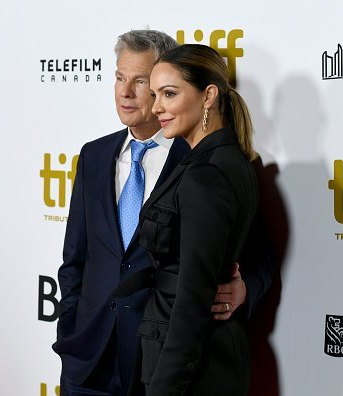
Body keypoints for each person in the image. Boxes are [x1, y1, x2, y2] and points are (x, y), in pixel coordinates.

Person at [52, 31, 265, 396]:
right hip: (88, 359)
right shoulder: (94, 155)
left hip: (157, 359)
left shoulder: (202, 162)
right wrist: (71, 326)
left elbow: (255, 250)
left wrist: (244, 291)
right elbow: (76, 258)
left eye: (141, 82)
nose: (127, 92)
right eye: (120, 78)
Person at [127, 44, 260, 396]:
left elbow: (192, 301)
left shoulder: (207, 174)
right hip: (195, 359)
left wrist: (164, 390)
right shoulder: (225, 160)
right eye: (155, 95)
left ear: (208, 96)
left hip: (192, 370)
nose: (156, 107)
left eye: (169, 94)